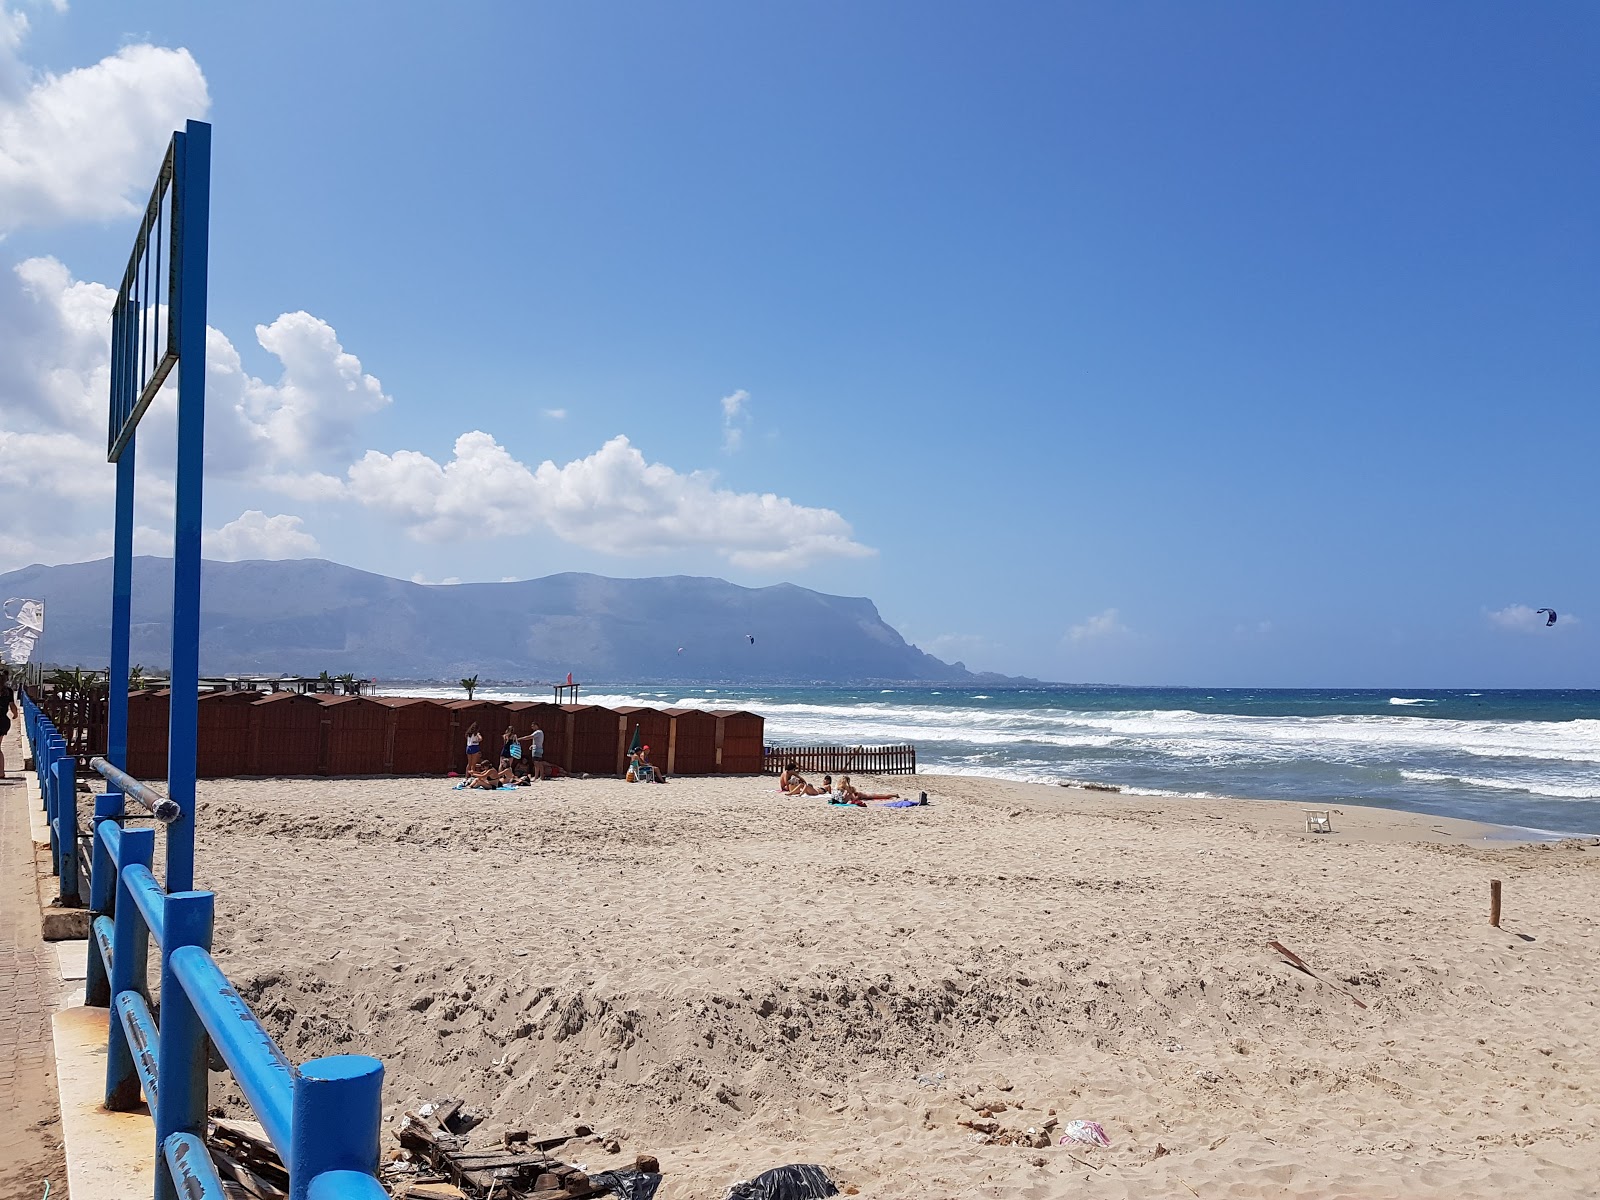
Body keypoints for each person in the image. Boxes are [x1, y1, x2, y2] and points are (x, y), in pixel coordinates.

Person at [0, 669, 16, 781]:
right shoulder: (8, 691)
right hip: (3, 721)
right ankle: (1, 772)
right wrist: (15, 715)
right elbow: (12, 706)